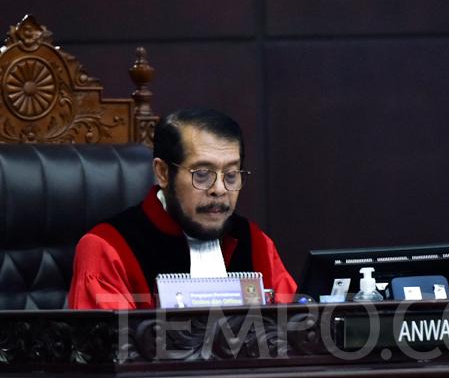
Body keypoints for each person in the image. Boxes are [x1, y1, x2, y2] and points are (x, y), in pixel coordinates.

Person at [68, 108, 297, 309]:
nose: (219, 189)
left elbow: (295, 331)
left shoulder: (256, 243)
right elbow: (111, 343)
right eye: (202, 174)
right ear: (163, 173)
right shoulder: (108, 248)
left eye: (231, 175)